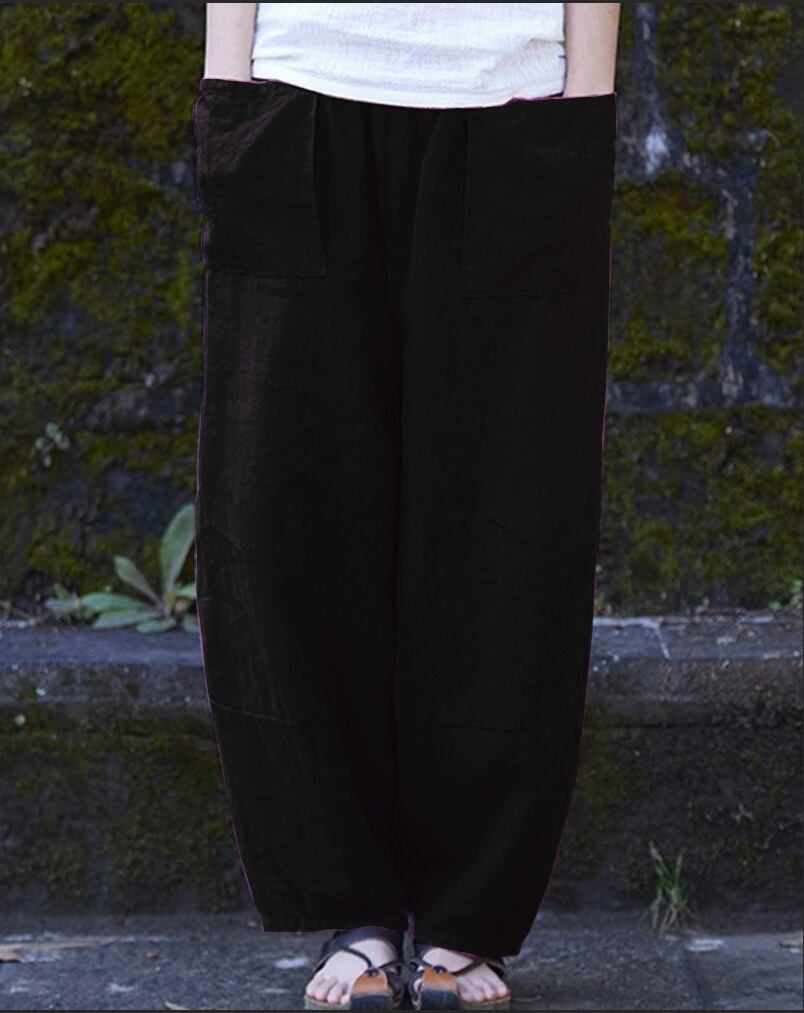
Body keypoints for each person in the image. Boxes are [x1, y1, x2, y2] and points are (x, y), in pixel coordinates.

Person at [191, 3, 621, 1009]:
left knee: (514, 518)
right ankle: (355, 908)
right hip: (300, 87)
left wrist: (588, 96)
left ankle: (470, 914)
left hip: (512, 96)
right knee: (287, 522)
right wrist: (229, 86)